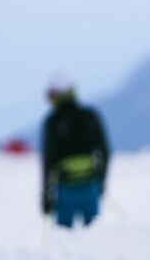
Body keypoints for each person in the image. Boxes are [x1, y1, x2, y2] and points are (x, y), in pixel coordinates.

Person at [41, 77, 110, 229]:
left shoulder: (52, 121)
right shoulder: (90, 116)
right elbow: (104, 151)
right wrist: (102, 181)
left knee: (64, 235)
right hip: (90, 185)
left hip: (65, 188)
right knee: (94, 232)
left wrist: (47, 196)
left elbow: (48, 161)